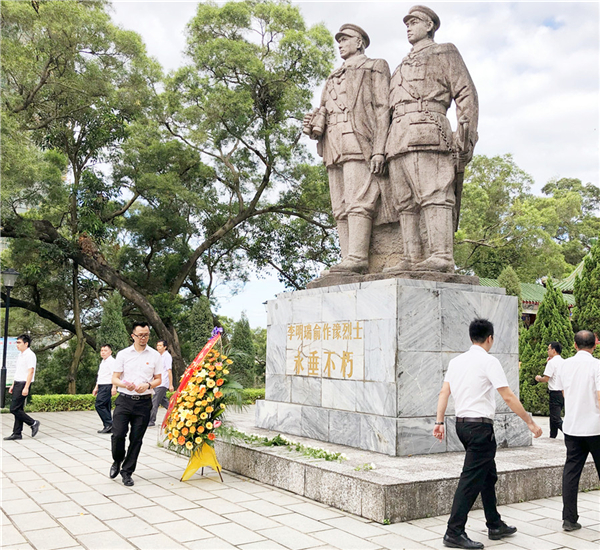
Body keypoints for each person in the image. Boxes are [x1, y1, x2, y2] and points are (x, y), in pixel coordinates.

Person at [433, 319, 542, 549]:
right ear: (489, 338)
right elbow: (508, 396)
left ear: (471, 337)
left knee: (487, 475)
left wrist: (439, 421)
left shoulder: (456, 361)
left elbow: (444, 392)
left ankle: (494, 524)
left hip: (462, 426)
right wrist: (529, 423)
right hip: (480, 428)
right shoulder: (489, 361)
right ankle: (454, 531)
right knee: (470, 480)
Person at [385, 5, 478, 273]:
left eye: (414, 22)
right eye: (407, 23)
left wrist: (466, 136)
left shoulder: (444, 51)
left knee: (435, 194)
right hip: (398, 137)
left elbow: (466, 93)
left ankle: (441, 255)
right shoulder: (401, 64)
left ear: (429, 26)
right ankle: (412, 257)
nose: (409, 27)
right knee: (404, 202)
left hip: (429, 130)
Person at [303, 24, 391, 274]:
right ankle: (347, 259)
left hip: (359, 140)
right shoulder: (332, 77)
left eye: (345, 39)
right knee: (339, 207)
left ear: (360, 42)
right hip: (334, 144)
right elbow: (324, 112)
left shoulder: (375, 66)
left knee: (358, 201)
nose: (340, 44)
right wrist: (313, 126)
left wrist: (379, 149)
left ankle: (358, 258)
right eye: (339, 40)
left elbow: (383, 109)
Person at [555, 330, 600, 532]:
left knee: (571, 472)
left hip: (572, 427)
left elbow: (564, 392)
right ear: (595, 345)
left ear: (574, 345)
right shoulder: (597, 365)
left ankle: (569, 519)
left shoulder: (565, 365)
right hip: (595, 427)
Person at [110, 322, 162, 486]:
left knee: (136, 439)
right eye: (140, 335)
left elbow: (159, 379)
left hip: (144, 403)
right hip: (124, 399)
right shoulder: (123, 354)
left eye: (146, 335)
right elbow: (114, 378)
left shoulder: (155, 355)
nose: (143, 338)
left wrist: (148, 386)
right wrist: (126, 385)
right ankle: (117, 460)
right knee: (118, 434)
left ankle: (127, 472)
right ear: (133, 336)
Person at [4, 334, 40, 441]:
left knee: (13, 408)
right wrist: (13, 385)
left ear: (26, 344)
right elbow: (19, 372)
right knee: (18, 409)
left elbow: (31, 371)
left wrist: (26, 387)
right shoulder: (20, 355)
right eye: (17, 343)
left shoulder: (30, 355)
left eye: (19, 343)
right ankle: (17, 433)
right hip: (18, 383)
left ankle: (33, 423)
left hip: (24, 383)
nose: (17, 345)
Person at [535, 341, 565, 438]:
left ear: (554, 350)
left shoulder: (552, 363)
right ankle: (552, 435)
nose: (547, 351)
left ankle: (570, 433)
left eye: (548, 349)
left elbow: (546, 378)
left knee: (555, 418)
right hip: (564, 392)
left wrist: (538, 378)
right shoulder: (564, 362)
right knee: (553, 416)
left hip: (555, 392)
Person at [148, 339, 174, 427]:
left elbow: (169, 371)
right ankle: (175, 411)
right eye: (157, 345)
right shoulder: (158, 356)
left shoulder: (167, 356)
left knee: (154, 401)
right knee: (163, 401)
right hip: (157, 382)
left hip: (163, 382)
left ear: (165, 347)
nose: (158, 347)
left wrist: (170, 384)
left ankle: (151, 420)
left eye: (160, 345)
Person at [93, 344, 117, 434]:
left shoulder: (112, 362)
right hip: (102, 385)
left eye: (105, 350)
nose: (103, 352)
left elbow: (114, 375)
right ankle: (108, 425)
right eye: (102, 350)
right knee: (106, 406)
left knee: (99, 405)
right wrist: (96, 387)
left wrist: (114, 387)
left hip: (108, 385)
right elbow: (100, 376)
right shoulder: (103, 362)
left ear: (110, 352)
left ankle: (109, 424)